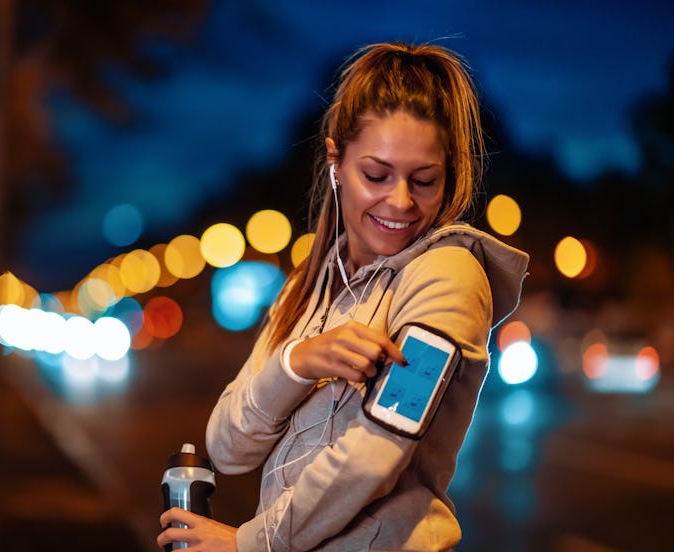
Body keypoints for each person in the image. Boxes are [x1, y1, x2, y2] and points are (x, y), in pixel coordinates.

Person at [157, 40, 529, 551]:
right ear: (336, 161)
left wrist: (253, 545)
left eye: (424, 180)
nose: (400, 201)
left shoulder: (449, 276)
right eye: (376, 175)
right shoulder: (306, 287)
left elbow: (376, 451)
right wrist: (297, 362)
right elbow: (228, 448)